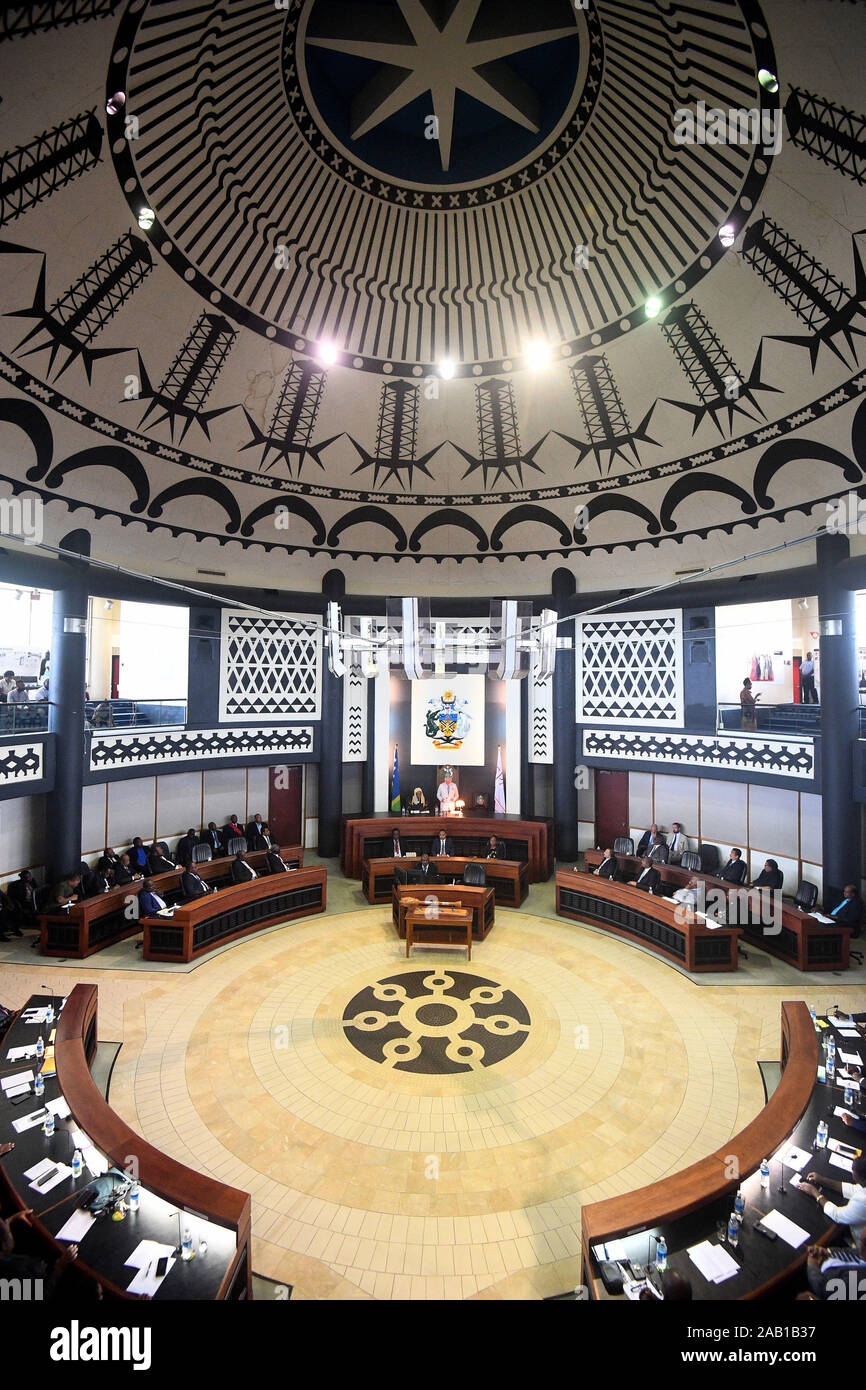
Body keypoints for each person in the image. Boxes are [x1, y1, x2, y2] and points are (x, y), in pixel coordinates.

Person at [799, 1155, 866, 1243]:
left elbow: (837, 1215)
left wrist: (815, 1193)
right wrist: (822, 1180)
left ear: (859, 1176)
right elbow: (852, 1189)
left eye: (853, 1170)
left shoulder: (862, 1201)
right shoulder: (864, 1184)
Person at [805, 1229, 866, 1298]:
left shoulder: (858, 1281)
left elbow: (823, 1290)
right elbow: (855, 1253)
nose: (859, 1246)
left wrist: (812, 1265)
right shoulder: (862, 1253)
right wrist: (829, 1252)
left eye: (861, 1242)